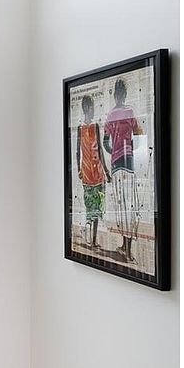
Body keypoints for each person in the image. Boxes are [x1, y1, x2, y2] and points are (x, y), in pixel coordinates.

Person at [102, 78, 145, 262]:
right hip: (128, 162)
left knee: (122, 206)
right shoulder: (129, 112)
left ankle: (126, 248)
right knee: (130, 205)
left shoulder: (110, 115)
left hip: (117, 163)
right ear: (124, 94)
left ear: (115, 95)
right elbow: (140, 133)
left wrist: (115, 152)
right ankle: (126, 248)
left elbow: (105, 142)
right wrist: (131, 149)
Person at [76, 95, 108, 251]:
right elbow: (100, 149)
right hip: (93, 173)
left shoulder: (82, 127)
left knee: (92, 209)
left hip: (90, 173)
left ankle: (92, 240)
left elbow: (77, 152)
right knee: (94, 209)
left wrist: (78, 170)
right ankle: (92, 240)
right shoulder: (90, 127)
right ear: (88, 108)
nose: (94, 110)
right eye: (93, 107)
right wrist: (106, 171)